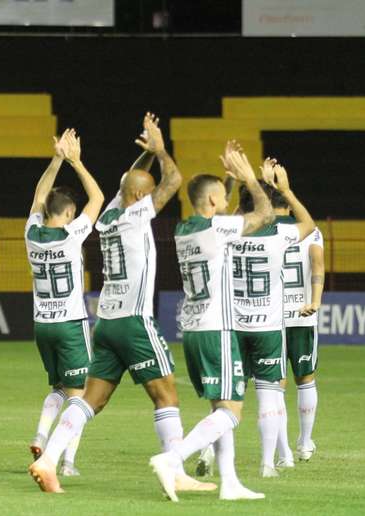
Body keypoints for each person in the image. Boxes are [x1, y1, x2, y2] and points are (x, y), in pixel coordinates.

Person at [30, 114, 213, 494]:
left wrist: (144, 157)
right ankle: (175, 471)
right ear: (142, 198)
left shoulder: (112, 215)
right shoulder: (135, 214)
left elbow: (126, 184)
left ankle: (49, 459)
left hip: (107, 321)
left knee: (92, 399)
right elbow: (174, 182)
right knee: (166, 394)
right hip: (134, 320)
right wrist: (161, 151)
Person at [149, 148, 273, 502]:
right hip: (217, 329)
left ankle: (230, 483)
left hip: (193, 329)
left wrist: (227, 182)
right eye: (222, 194)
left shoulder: (185, 227)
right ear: (214, 200)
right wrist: (249, 176)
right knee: (232, 411)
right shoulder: (218, 228)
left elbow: (216, 211)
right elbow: (263, 213)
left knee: (219, 407)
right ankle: (171, 460)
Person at [24, 128, 104, 478]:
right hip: (70, 323)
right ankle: (67, 460)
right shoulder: (73, 235)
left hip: (43, 324)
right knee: (80, 395)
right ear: (69, 213)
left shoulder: (31, 233)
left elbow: (40, 194)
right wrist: (76, 161)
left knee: (58, 387)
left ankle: (42, 433)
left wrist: (56, 158)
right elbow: (98, 198)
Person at [230, 156, 314, 477]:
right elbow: (309, 224)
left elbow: (238, 214)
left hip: (235, 327)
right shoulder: (280, 237)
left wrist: (244, 186)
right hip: (267, 327)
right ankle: (268, 464)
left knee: (229, 398)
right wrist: (286, 191)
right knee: (270, 393)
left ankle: (217, 458)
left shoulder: (228, 234)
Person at [278, 191, 325, 463]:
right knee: (305, 379)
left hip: (272, 318)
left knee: (276, 385)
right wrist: (315, 301)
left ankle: (282, 450)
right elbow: (317, 263)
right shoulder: (311, 232)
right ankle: (305, 443)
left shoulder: (264, 232)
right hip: (302, 315)